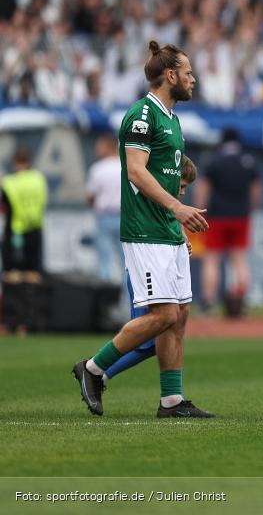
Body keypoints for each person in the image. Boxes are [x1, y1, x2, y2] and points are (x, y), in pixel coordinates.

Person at [71, 40, 213, 418]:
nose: (193, 80)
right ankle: (92, 369)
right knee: (162, 315)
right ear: (170, 76)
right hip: (144, 230)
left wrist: (176, 219)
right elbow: (135, 171)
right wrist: (177, 207)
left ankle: (171, 401)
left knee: (179, 317)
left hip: (167, 229)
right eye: (188, 73)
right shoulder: (141, 115)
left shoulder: (172, 118)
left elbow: (168, 176)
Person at [102, 156, 197, 386]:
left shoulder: (165, 201)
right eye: (182, 185)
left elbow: (167, 221)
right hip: (145, 269)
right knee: (149, 339)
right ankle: (96, 372)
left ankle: (98, 373)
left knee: (157, 340)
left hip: (155, 269)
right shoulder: (150, 197)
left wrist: (181, 238)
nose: (182, 193)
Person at [194, 127, 261, 317]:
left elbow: (203, 187)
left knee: (212, 259)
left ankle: (208, 301)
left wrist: (200, 210)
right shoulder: (248, 160)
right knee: (239, 259)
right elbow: (256, 188)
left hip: (217, 216)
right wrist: (252, 208)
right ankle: (242, 301)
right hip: (241, 216)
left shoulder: (215, 160)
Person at [1, 146, 47, 275]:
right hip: (35, 227)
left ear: (14, 162)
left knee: (13, 272)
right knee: (33, 272)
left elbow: (4, 207)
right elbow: (43, 201)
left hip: (15, 229)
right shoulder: (39, 179)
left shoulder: (10, 182)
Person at [86, 133, 123, 283]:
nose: (97, 150)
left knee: (104, 261)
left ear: (107, 147)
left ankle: (105, 302)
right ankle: (127, 301)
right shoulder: (125, 167)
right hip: (124, 217)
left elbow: (90, 196)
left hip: (105, 217)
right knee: (126, 262)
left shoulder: (98, 169)